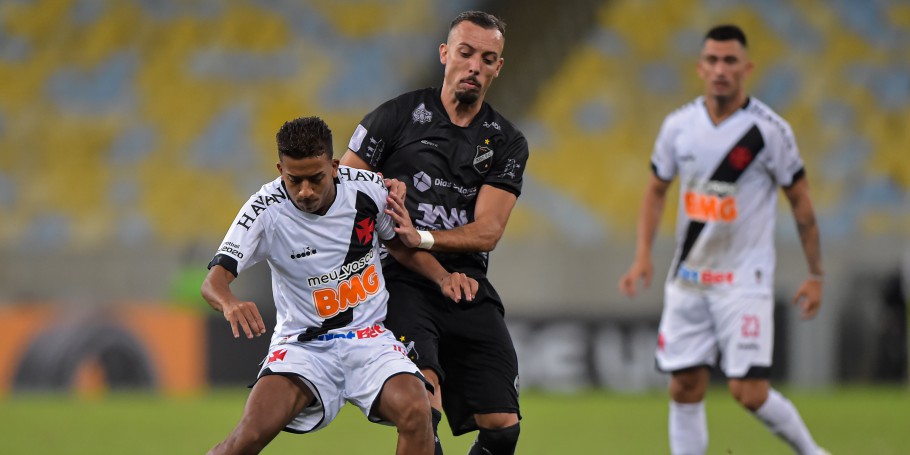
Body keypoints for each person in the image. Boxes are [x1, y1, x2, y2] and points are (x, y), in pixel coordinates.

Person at [201, 116, 479, 455]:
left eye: (315, 179)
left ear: (334, 166)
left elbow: (399, 246)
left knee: (417, 410)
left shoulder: (368, 189)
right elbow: (213, 281)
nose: (305, 191)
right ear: (279, 170)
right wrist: (229, 302)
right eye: (294, 180)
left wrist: (443, 277)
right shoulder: (263, 210)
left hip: (369, 340)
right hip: (303, 347)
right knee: (247, 437)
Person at [618, 25, 828, 455]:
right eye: (712, 60)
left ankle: (814, 452)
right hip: (689, 276)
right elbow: (656, 190)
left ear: (746, 68)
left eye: (730, 61)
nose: (720, 69)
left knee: (748, 391)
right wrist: (642, 255)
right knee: (684, 385)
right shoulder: (678, 126)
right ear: (700, 68)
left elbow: (802, 204)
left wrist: (815, 273)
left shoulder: (770, 132)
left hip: (742, 279)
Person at [340, 10, 527, 455]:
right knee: (422, 412)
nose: (474, 67)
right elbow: (345, 194)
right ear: (445, 54)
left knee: (504, 427)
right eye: (465, 53)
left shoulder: (506, 141)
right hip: (401, 280)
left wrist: (420, 236)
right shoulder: (395, 118)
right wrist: (381, 224)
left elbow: (488, 231)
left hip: (467, 283)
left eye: (487, 58)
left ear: (498, 67)